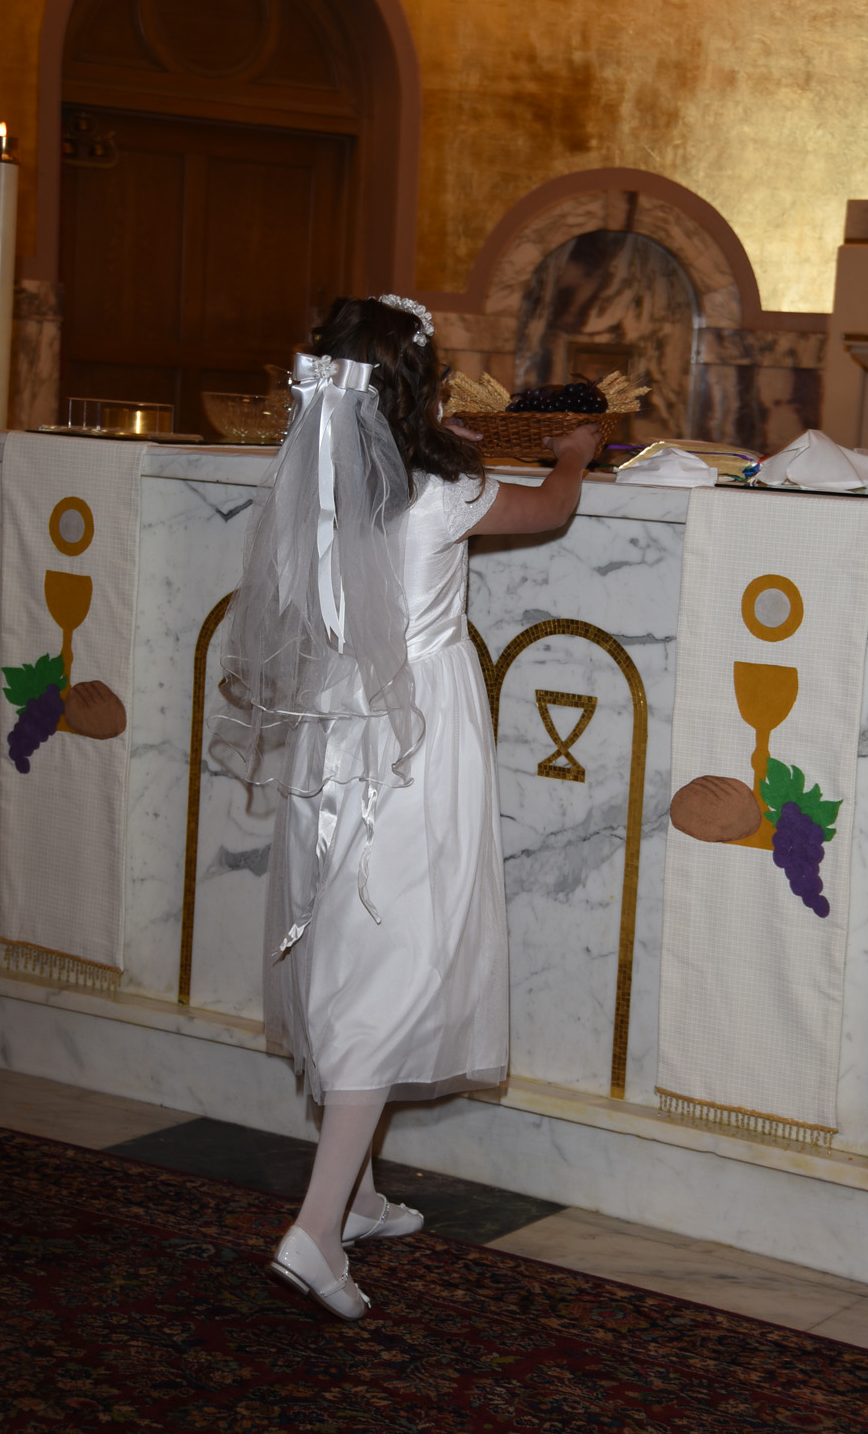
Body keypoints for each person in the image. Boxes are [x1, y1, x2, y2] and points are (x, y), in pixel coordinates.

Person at [218, 295, 598, 1321]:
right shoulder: (446, 490)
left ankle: (358, 1196)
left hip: (334, 730)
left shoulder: (319, 489)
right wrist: (572, 454)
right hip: (418, 741)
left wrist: (435, 437)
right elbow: (549, 509)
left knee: (351, 943)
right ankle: (313, 1230)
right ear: (417, 387)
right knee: (394, 962)